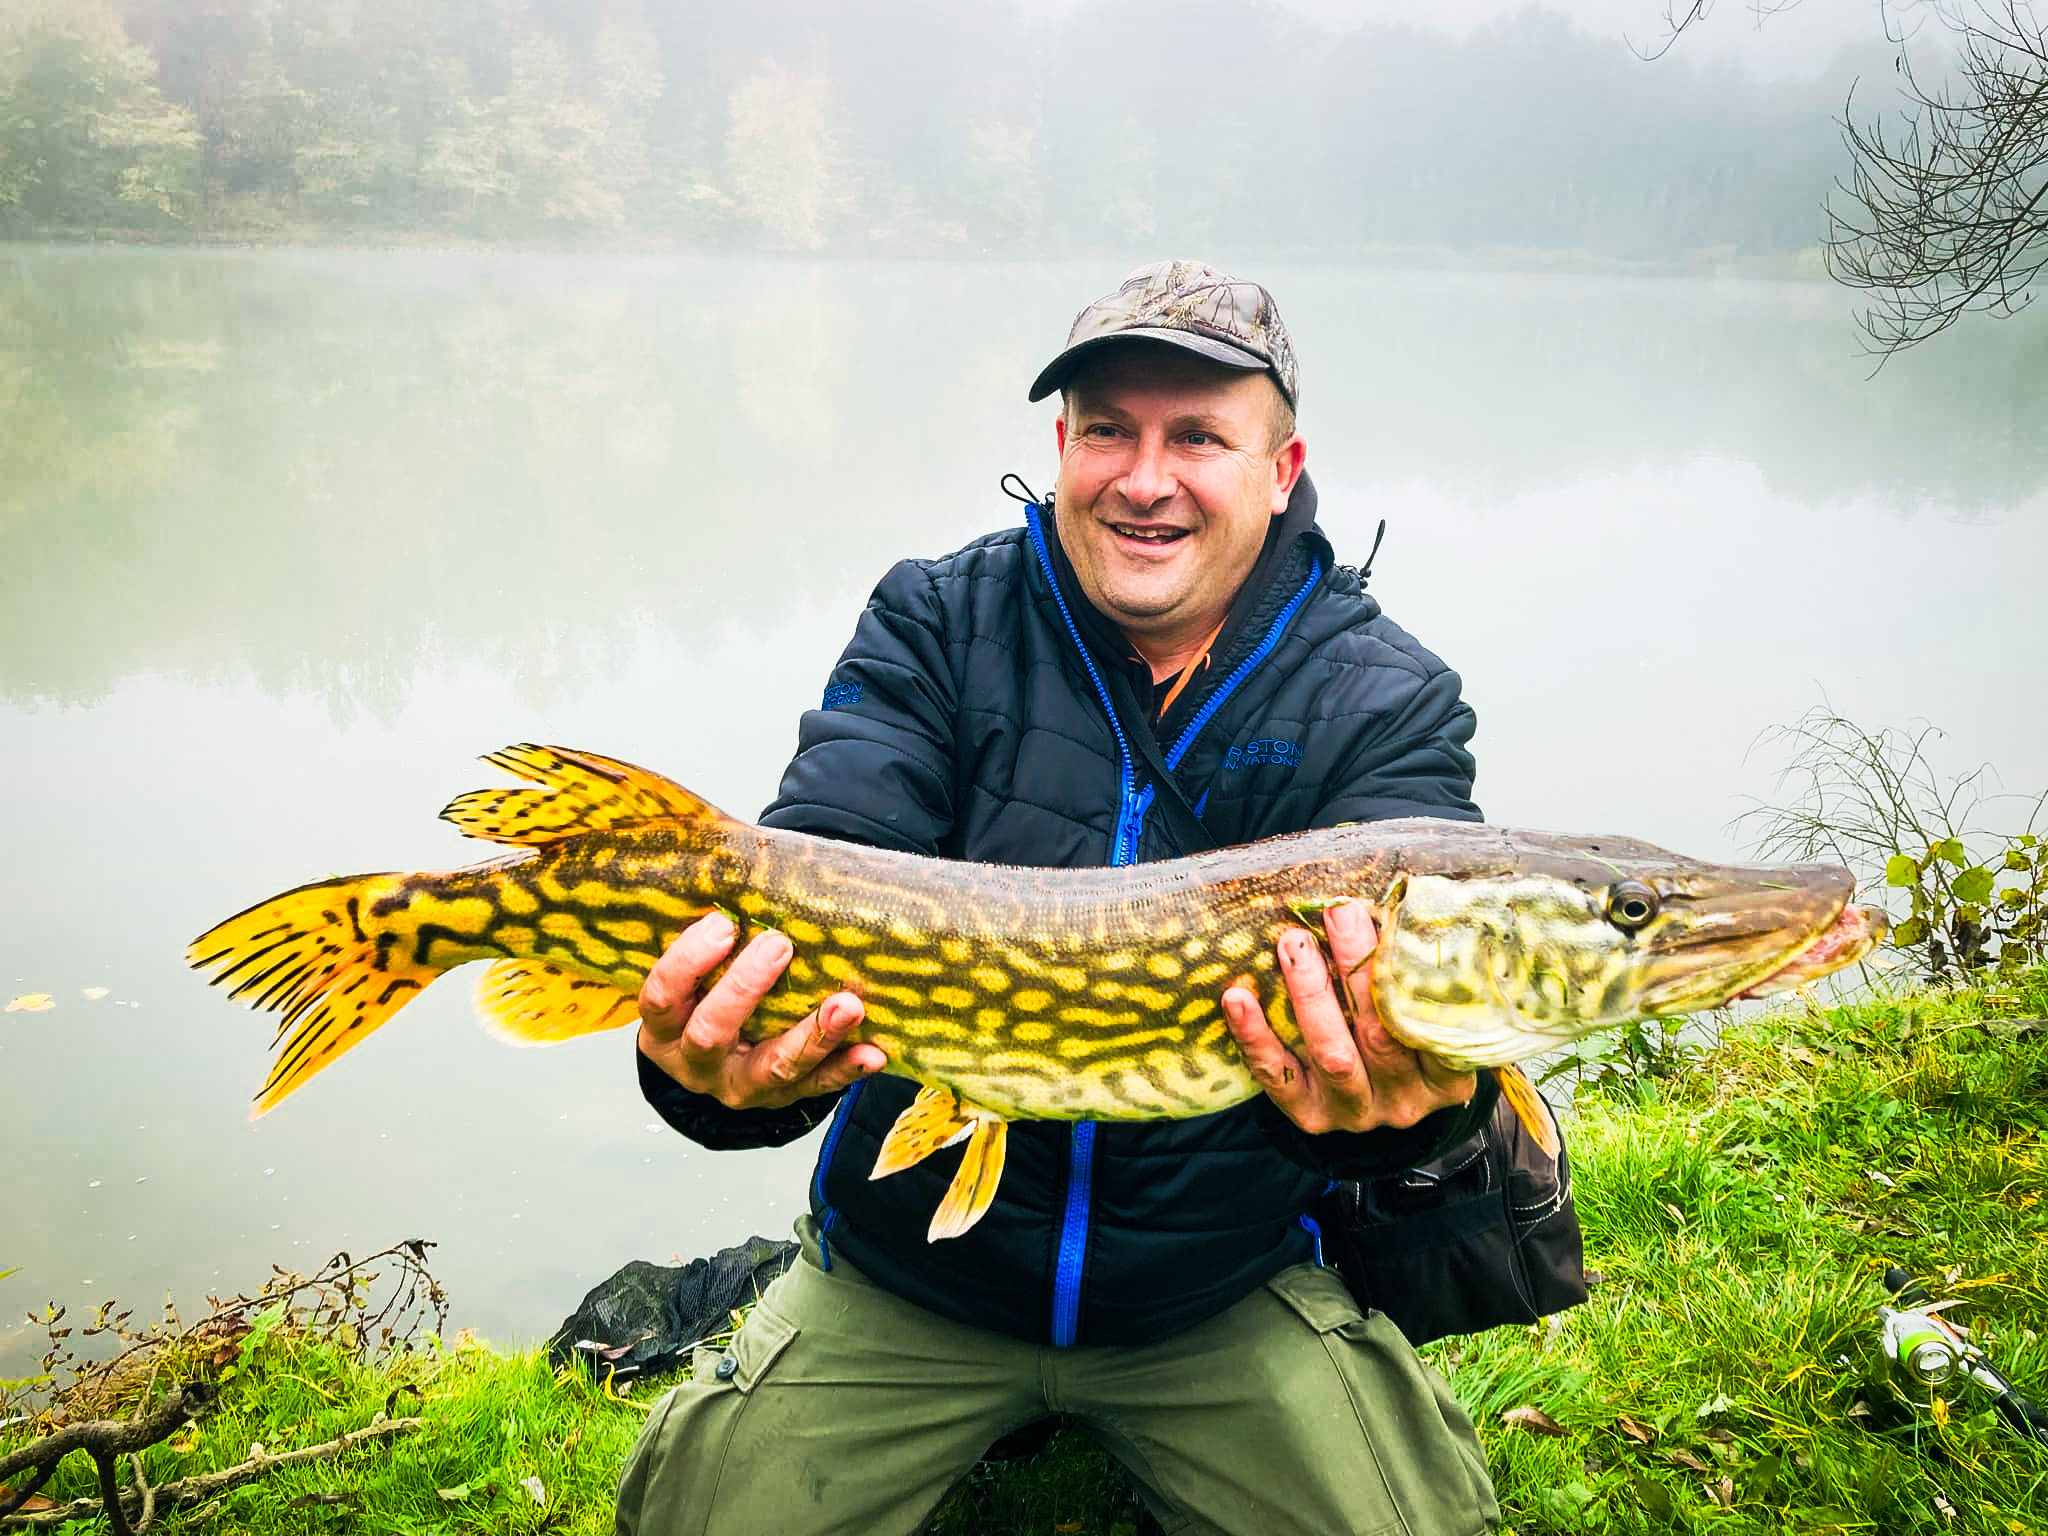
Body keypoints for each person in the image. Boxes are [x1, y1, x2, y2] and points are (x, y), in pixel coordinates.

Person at [614, 260, 1503, 1536]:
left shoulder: (1383, 699)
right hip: (907, 1270)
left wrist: (1404, 1118)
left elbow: (1401, 1046)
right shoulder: (937, 622)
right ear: (1061, 444)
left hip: (1212, 1290)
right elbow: (819, 861)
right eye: (1109, 432)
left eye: (1197, 436)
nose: (1144, 479)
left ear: (1279, 468)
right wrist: (713, 1074)